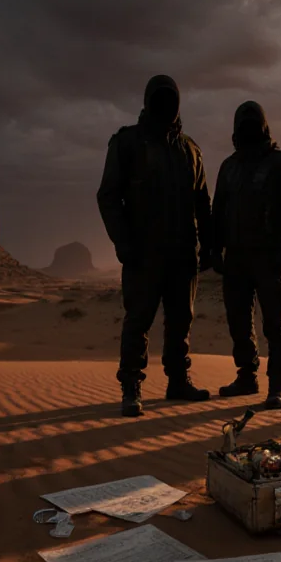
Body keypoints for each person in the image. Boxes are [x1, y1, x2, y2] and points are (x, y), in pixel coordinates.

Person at [97, 74, 214, 417]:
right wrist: (123, 243)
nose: (165, 105)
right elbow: (108, 197)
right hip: (143, 253)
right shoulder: (127, 143)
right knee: (139, 320)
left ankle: (178, 380)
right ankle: (131, 386)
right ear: (148, 101)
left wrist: (208, 246)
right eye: (159, 98)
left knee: (180, 322)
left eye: (170, 99)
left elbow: (202, 202)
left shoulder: (190, 149)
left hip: (183, 254)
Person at [211, 101, 281, 409]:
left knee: (274, 322)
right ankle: (247, 376)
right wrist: (214, 249)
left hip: (267, 256)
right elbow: (218, 210)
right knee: (238, 321)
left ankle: (279, 383)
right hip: (236, 257)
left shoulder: (279, 163)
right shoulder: (229, 167)